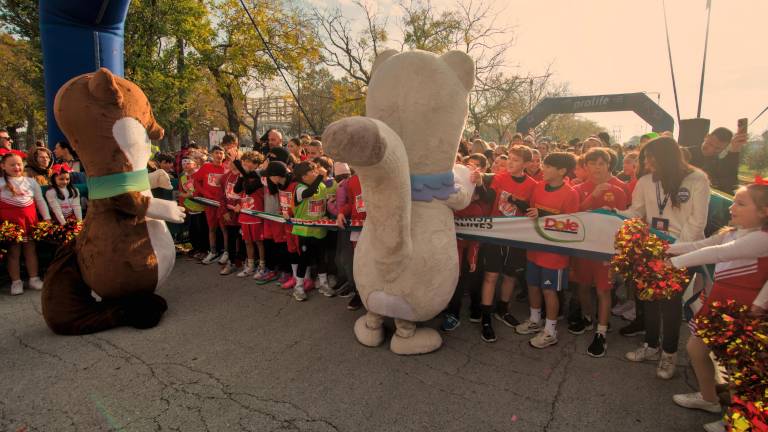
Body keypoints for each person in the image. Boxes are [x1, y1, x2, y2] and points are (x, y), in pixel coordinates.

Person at [664, 181, 768, 432]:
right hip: (720, 301)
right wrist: (665, 248)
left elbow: (719, 254)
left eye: (741, 204)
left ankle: (738, 420)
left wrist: (674, 263)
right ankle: (709, 399)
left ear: (764, 211)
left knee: (737, 366)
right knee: (696, 348)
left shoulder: (761, 239)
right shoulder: (733, 232)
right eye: (734, 201)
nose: (732, 207)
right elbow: (702, 245)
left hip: (742, 308)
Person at [621, 137, 710, 379]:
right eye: (645, 158)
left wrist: (674, 252)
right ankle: (651, 346)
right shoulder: (645, 181)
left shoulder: (697, 179)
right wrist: (613, 215)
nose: (648, 163)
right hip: (650, 250)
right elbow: (636, 212)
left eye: (652, 158)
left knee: (670, 304)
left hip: (681, 252)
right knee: (648, 299)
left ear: (667, 158)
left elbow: (697, 222)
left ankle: (669, 355)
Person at [515, 152, 580, 349]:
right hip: (535, 247)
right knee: (532, 285)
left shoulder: (571, 194)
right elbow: (532, 212)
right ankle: (535, 320)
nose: (544, 169)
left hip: (555, 252)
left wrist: (542, 214)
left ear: (561, 171)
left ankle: (551, 331)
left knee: (549, 291)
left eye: (549, 166)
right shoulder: (538, 187)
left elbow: (572, 225)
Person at [570, 148, 628, 357]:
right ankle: (587, 316)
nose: (597, 167)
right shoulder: (577, 188)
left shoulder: (620, 190)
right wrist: (593, 196)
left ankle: (601, 333)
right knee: (583, 287)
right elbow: (574, 217)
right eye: (592, 163)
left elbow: (625, 221)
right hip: (583, 248)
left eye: (601, 163)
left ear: (609, 165)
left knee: (603, 290)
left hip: (607, 251)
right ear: (586, 166)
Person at [477, 145, 538, 343]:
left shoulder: (532, 184)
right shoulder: (500, 177)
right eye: (509, 158)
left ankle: (503, 309)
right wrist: (479, 184)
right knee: (491, 275)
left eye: (516, 160)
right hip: (496, 232)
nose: (510, 163)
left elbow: (531, 209)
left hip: (517, 235)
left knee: (510, 275)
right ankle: (486, 318)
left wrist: (519, 203)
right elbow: (488, 198)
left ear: (526, 164)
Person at [441, 154, 491, 331]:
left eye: (477, 165)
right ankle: (443, 307)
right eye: (469, 164)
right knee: (446, 280)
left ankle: (454, 313)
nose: (472, 168)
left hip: (465, 251)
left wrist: (472, 257)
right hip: (446, 247)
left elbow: (487, 197)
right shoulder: (449, 201)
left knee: (461, 281)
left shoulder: (478, 205)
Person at [0, 153, 51, 295]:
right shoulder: (1, 183)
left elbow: (40, 201)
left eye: (19, 164)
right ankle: (16, 282)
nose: (16, 167)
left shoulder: (31, 181)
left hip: (29, 222)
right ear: (3, 166)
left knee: (31, 251)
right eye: (12, 164)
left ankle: (33, 278)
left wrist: (46, 218)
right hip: (11, 225)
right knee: (14, 253)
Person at [288, 161, 329, 301]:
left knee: (321, 258)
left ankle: (323, 284)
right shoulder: (299, 188)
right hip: (304, 232)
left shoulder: (322, 186)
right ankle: (299, 287)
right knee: (304, 259)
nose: (316, 173)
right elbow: (309, 193)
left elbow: (325, 204)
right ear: (304, 177)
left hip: (319, 230)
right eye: (312, 171)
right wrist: (320, 177)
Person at [232, 151, 268, 278]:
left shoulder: (259, 175)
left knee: (259, 241)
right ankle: (251, 265)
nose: (245, 164)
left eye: (248, 161)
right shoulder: (243, 176)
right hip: (245, 213)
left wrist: (243, 173)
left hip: (257, 213)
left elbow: (248, 188)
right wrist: (241, 175)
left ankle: (262, 267)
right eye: (244, 161)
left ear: (256, 164)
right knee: (247, 241)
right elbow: (236, 190)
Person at [193, 145, 227, 265]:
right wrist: (204, 192)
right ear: (211, 155)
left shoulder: (226, 168)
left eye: (221, 153)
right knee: (211, 228)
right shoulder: (206, 167)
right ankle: (212, 251)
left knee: (224, 228)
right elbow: (195, 180)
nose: (218, 155)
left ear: (224, 155)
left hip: (222, 205)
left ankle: (226, 252)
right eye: (216, 153)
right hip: (209, 204)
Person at [686, 127, 744, 194]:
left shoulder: (719, 164)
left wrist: (735, 150)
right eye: (710, 144)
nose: (711, 149)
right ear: (706, 136)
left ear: (725, 148)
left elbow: (731, 184)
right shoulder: (683, 154)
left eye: (717, 148)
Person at [178, 154, 209, 260]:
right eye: (183, 164)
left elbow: (202, 190)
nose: (185, 165)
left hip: (201, 209)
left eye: (188, 163)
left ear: (194, 164)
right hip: (189, 209)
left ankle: (204, 250)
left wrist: (191, 195)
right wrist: (183, 206)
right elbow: (181, 193)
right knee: (193, 231)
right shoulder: (182, 178)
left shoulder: (199, 175)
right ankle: (196, 249)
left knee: (202, 230)